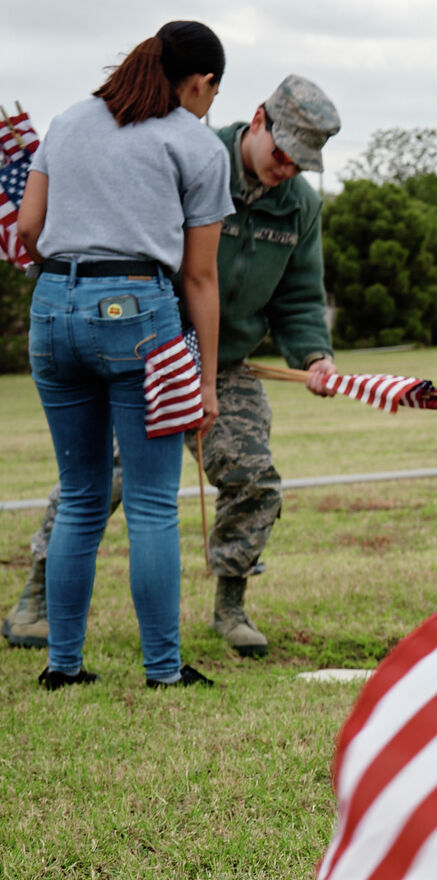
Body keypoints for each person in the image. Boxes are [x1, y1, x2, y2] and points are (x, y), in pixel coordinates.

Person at [8, 77, 345, 657]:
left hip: (229, 359)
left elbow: (298, 295)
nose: (287, 169)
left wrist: (315, 356)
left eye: (301, 163)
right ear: (258, 120)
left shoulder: (299, 207)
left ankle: (230, 606)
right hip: (149, 347)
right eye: (283, 153)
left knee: (254, 477)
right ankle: (35, 598)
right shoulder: (189, 154)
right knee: (101, 480)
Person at [15, 21, 230, 688]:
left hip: (54, 306)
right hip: (141, 312)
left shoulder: (68, 120)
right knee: (151, 504)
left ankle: (63, 666)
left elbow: (26, 228)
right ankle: (163, 671)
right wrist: (209, 383)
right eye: (210, 95)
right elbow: (198, 277)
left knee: (80, 496)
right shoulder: (194, 143)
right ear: (201, 83)